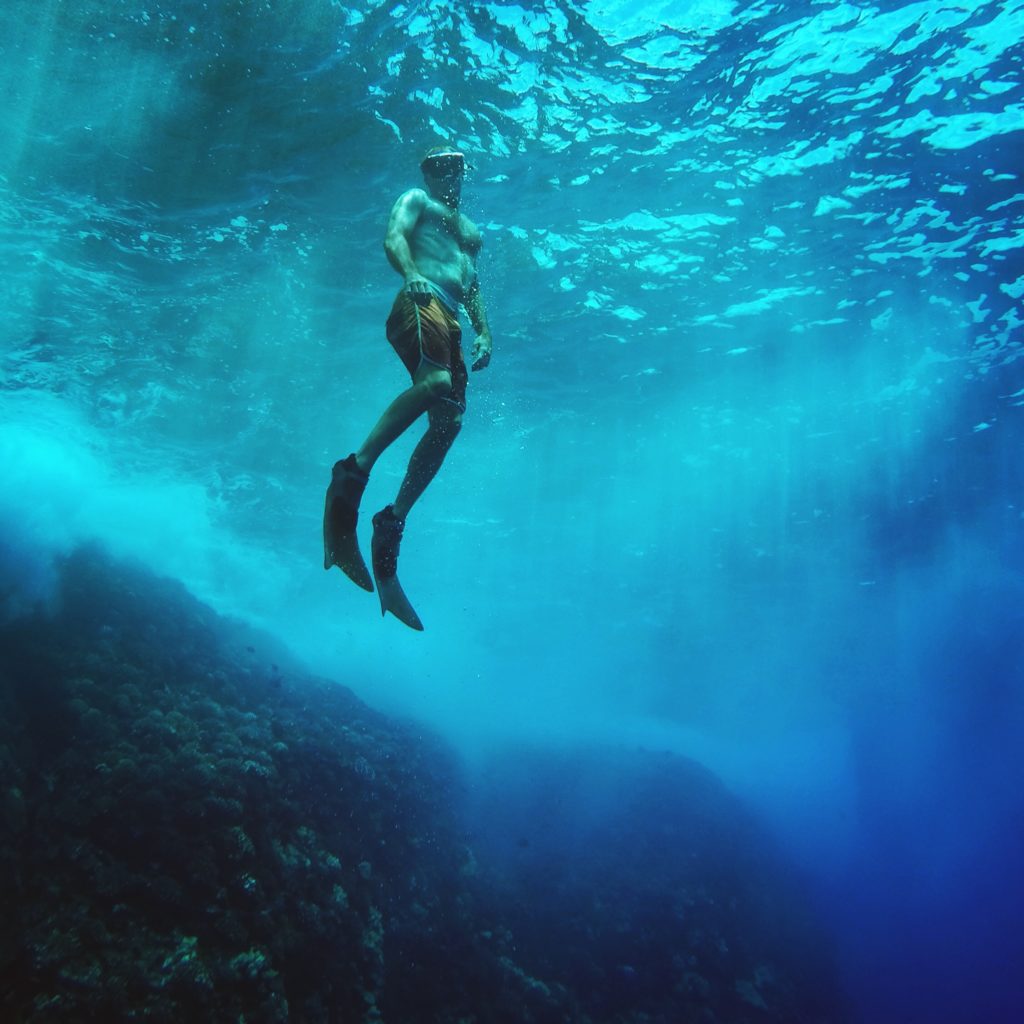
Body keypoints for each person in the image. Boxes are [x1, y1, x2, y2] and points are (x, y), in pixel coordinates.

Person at [323, 145, 493, 631]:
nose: (447, 173)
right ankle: (353, 470)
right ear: (426, 171)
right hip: (421, 300)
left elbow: (474, 287)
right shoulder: (416, 199)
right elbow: (393, 238)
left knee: (450, 420)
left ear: (464, 172)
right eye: (437, 165)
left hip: (453, 320)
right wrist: (413, 273)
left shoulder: (471, 233)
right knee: (435, 382)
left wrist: (484, 331)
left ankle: (392, 519)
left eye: (454, 166)